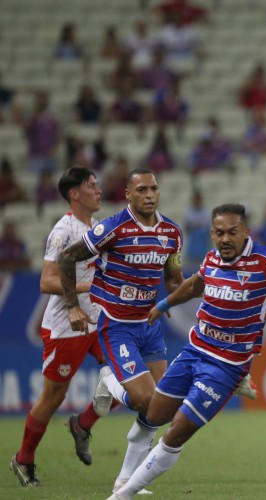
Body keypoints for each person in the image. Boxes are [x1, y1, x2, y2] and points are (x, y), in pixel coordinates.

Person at [108, 203, 266, 499]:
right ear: (212, 234)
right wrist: (164, 305)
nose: (225, 239)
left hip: (225, 366)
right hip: (194, 350)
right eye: (219, 233)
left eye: (232, 232)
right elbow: (194, 286)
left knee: (176, 431)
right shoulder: (211, 258)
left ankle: (121, 496)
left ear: (245, 232)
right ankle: (122, 475)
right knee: (152, 414)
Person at [58, 168, 185, 494]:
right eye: (142, 189)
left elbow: (173, 277)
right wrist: (73, 305)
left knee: (163, 406)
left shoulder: (171, 232)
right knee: (144, 399)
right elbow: (67, 257)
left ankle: (125, 480)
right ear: (128, 193)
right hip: (117, 327)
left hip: (150, 325)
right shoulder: (112, 228)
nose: (149, 195)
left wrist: (175, 297)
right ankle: (109, 381)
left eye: (154, 188)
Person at [9, 168, 111, 487]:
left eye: (97, 184)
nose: (98, 189)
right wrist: (85, 289)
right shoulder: (63, 231)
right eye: (91, 186)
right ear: (74, 194)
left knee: (130, 377)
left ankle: (83, 424)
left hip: (97, 320)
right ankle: (23, 460)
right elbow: (47, 280)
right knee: (52, 398)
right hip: (67, 326)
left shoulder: (96, 227)